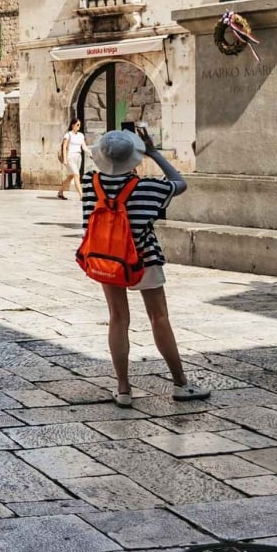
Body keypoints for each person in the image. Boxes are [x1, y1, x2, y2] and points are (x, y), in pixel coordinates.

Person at [83, 129, 210, 408]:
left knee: (118, 318)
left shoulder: (89, 183)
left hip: (108, 258)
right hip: (145, 259)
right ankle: (180, 384)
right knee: (158, 318)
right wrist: (153, 153)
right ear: (134, 159)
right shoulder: (150, 188)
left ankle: (124, 388)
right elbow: (180, 182)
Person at [58, 118, 86, 200]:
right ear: (72, 125)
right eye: (77, 125)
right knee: (77, 175)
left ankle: (60, 192)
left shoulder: (81, 135)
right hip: (70, 157)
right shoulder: (68, 135)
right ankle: (81, 195)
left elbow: (84, 146)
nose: (79, 126)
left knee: (71, 176)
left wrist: (90, 153)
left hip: (78, 157)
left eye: (80, 125)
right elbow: (64, 147)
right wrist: (65, 159)